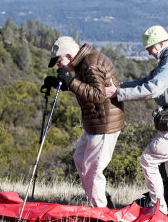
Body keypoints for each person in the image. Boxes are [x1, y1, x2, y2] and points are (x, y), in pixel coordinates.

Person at [105, 25, 168, 221]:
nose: (149, 52)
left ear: (162, 43)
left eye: (150, 47)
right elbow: (147, 79)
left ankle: (159, 210)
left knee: (148, 160)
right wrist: (121, 86)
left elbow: (153, 88)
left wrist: (119, 94)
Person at [44, 36, 124, 208]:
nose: (58, 65)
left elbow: (98, 95)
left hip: (104, 123)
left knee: (94, 170)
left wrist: (70, 81)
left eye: (59, 61)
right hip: (95, 122)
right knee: (80, 159)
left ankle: (99, 211)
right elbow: (85, 86)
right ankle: (100, 199)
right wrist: (62, 83)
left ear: (69, 56)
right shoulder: (83, 63)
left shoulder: (90, 64)